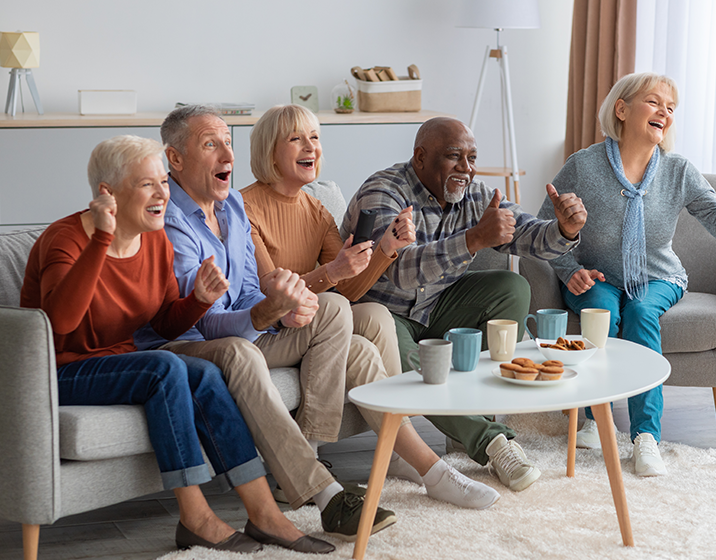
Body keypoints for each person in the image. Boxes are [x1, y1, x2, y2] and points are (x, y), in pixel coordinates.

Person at [19, 135, 334, 554]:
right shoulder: (67, 239)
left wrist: (198, 301)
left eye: (163, 183)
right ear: (107, 194)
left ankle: (265, 514)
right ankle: (196, 517)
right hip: (58, 370)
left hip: (120, 361)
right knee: (164, 368)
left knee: (204, 372)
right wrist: (100, 240)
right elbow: (58, 322)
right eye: (147, 184)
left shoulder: (154, 240)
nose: (162, 194)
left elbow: (165, 323)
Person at [133, 105, 397, 543]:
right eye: (210, 144)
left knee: (331, 308)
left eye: (227, 143)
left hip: (245, 331)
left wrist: (284, 309)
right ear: (174, 159)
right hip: (184, 342)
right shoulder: (171, 224)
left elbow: (251, 289)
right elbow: (205, 321)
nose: (226, 156)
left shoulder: (232, 204)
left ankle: (310, 448)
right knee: (239, 349)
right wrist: (265, 313)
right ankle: (324, 493)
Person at [241, 104, 500, 509]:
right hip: (268, 327)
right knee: (337, 311)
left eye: (315, 137)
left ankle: (409, 458)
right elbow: (270, 297)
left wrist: (385, 249)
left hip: (316, 318)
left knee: (375, 317)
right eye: (296, 139)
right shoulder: (244, 209)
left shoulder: (316, 209)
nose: (311, 147)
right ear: (270, 152)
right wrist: (331, 271)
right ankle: (308, 455)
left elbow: (352, 290)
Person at [537, 72, 716, 477]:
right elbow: (544, 229)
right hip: (598, 277)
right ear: (622, 109)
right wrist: (568, 269)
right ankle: (596, 420)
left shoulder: (678, 170)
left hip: (658, 278)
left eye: (670, 108)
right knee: (601, 315)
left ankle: (645, 437)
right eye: (654, 102)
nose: (664, 112)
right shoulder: (584, 166)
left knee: (641, 314)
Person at [340, 117, 587, 492]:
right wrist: (472, 240)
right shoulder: (384, 192)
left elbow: (530, 235)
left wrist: (564, 229)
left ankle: (468, 423)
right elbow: (400, 270)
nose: (466, 169)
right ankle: (493, 442)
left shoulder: (473, 194)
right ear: (420, 157)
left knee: (512, 287)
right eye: (454, 157)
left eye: (472, 158)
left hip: (438, 308)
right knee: (419, 367)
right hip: (383, 315)